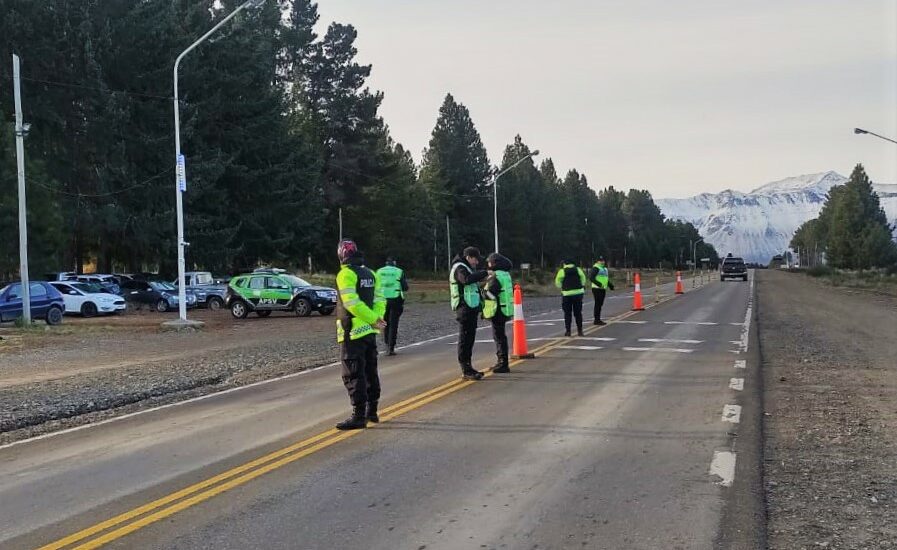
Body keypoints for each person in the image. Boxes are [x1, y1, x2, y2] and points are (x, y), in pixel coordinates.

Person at [334, 239, 387, 430]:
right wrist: (377, 318)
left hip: (352, 332)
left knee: (353, 374)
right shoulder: (371, 274)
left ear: (341, 255)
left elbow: (351, 303)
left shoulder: (345, 274)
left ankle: (358, 415)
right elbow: (380, 299)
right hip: (370, 332)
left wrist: (372, 318)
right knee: (370, 371)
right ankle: (372, 411)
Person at [450, 246, 488, 380]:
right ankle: (466, 369)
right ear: (469, 257)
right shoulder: (459, 268)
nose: (476, 263)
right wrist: (485, 273)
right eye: (475, 260)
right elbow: (466, 280)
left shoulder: (466, 268)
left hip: (470, 307)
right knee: (465, 338)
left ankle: (469, 367)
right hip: (463, 308)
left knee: (469, 338)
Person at [482, 252, 514, 373]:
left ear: (495, 263)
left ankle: (503, 363)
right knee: (501, 336)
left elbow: (491, 293)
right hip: (504, 309)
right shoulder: (505, 275)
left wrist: (484, 294)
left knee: (499, 337)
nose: (488, 264)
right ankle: (502, 362)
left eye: (489, 262)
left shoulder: (495, 276)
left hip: (497, 310)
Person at [376, 257, 409, 356]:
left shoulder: (379, 271)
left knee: (385, 322)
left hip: (382, 300)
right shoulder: (399, 271)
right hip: (396, 299)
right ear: (394, 263)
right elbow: (405, 287)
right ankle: (391, 347)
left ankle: (387, 345)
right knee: (393, 323)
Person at [555, 259, 587, 337]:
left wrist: (562, 287)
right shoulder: (578, 269)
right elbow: (583, 279)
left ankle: (568, 331)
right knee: (578, 313)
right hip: (578, 293)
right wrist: (582, 286)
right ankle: (580, 331)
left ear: (565, 263)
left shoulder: (562, 271)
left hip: (567, 294)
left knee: (567, 313)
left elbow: (557, 282)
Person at [587, 256, 614, 325]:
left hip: (602, 288)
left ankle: (597, 319)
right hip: (596, 288)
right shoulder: (596, 268)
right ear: (597, 261)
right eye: (600, 261)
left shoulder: (604, 269)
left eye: (603, 260)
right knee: (598, 304)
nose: (602, 262)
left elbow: (605, 278)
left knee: (600, 304)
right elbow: (591, 277)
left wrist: (610, 285)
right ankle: (597, 320)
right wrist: (599, 284)